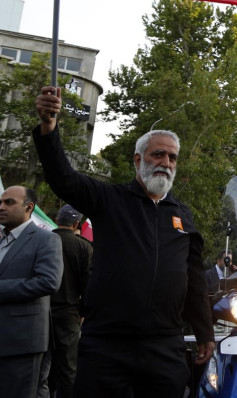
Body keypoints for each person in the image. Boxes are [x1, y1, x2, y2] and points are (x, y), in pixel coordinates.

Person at [33, 86, 213, 396]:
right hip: (107, 345)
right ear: (138, 159)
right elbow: (63, 177)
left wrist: (205, 333)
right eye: (158, 154)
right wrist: (49, 127)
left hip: (165, 348)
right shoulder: (109, 199)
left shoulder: (183, 215)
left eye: (172, 157)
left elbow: (194, 279)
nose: (166, 162)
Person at [0, 186, 63, 398]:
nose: (1, 207)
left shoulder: (47, 239)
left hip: (22, 341)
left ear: (29, 207)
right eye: (1, 202)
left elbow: (48, 282)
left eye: (9, 203)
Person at [49, 204, 92, 398]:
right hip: (69, 316)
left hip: (39, 313)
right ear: (77, 223)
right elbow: (89, 286)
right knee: (68, 369)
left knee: (41, 365)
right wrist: (82, 313)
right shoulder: (83, 247)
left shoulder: (42, 240)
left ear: (57, 220)